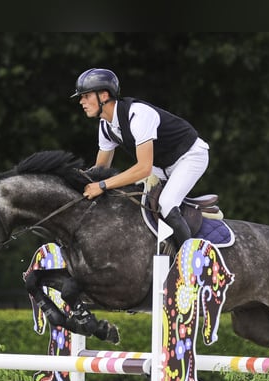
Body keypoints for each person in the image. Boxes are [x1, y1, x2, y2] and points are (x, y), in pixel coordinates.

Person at [72, 67, 210, 249]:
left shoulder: (138, 115)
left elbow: (143, 168)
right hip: (161, 166)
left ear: (104, 95)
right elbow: (101, 170)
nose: (81, 101)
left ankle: (191, 260)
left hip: (190, 156)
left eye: (86, 96)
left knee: (166, 203)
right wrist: (75, 180)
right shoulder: (105, 126)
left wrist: (102, 185)